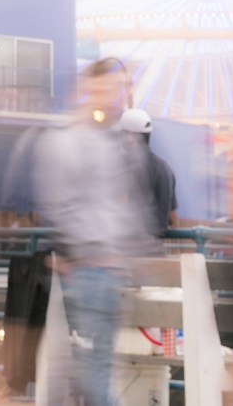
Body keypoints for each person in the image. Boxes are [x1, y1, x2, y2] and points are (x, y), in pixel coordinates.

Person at [28, 58, 156, 406]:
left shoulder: (91, 142)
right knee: (93, 369)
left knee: (86, 368)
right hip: (97, 267)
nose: (116, 96)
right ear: (90, 89)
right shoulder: (91, 142)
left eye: (120, 89)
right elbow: (127, 209)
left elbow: (63, 205)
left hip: (99, 268)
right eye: (112, 87)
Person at [117, 107, 178, 240]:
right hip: (155, 248)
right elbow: (172, 218)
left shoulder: (124, 165)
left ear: (131, 136)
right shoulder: (166, 168)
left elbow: (120, 204)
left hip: (128, 249)